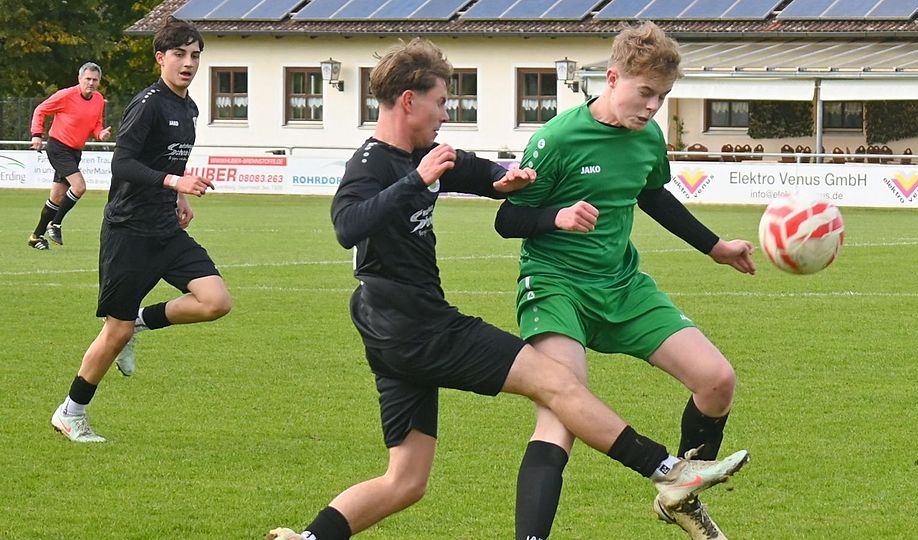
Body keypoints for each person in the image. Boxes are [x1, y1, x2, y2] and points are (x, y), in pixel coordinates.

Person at [266, 38, 748, 540]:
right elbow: (347, 225)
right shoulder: (372, 164)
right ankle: (668, 471)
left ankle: (309, 538)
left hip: (389, 327)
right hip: (419, 326)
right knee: (559, 385)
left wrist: (507, 177)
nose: (447, 112)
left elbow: (485, 177)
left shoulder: (427, 153)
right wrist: (417, 181)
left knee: (405, 480)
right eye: (441, 101)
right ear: (410, 100)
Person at [494, 22, 757, 540]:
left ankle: (681, 492)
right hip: (556, 286)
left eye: (662, 97)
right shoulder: (557, 138)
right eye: (645, 93)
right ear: (612, 78)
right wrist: (557, 217)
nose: (653, 107)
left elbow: (653, 195)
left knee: (717, 380)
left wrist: (716, 247)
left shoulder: (648, 137)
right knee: (562, 409)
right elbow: (507, 219)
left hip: (623, 284)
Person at [50, 17, 231, 443]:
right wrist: (174, 184)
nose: (188, 63)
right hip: (129, 230)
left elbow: (169, 161)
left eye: (195, 56)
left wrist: (179, 196)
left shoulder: (188, 107)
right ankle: (70, 412)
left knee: (216, 300)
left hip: (165, 228)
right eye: (179, 55)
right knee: (114, 331)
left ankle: (141, 322)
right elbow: (123, 163)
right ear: (160, 58)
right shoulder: (148, 103)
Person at [27, 62, 112, 250]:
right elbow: (40, 109)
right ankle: (55, 224)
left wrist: (101, 134)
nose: (91, 83)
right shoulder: (66, 95)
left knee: (57, 197)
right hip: (58, 147)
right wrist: (36, 135)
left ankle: (36, 236)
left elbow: (96, 125)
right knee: (79, 187)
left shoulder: (98, 99)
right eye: (87, 79)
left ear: (99, 82)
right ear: (79, 79)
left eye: (94, 80)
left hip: (75, 151)